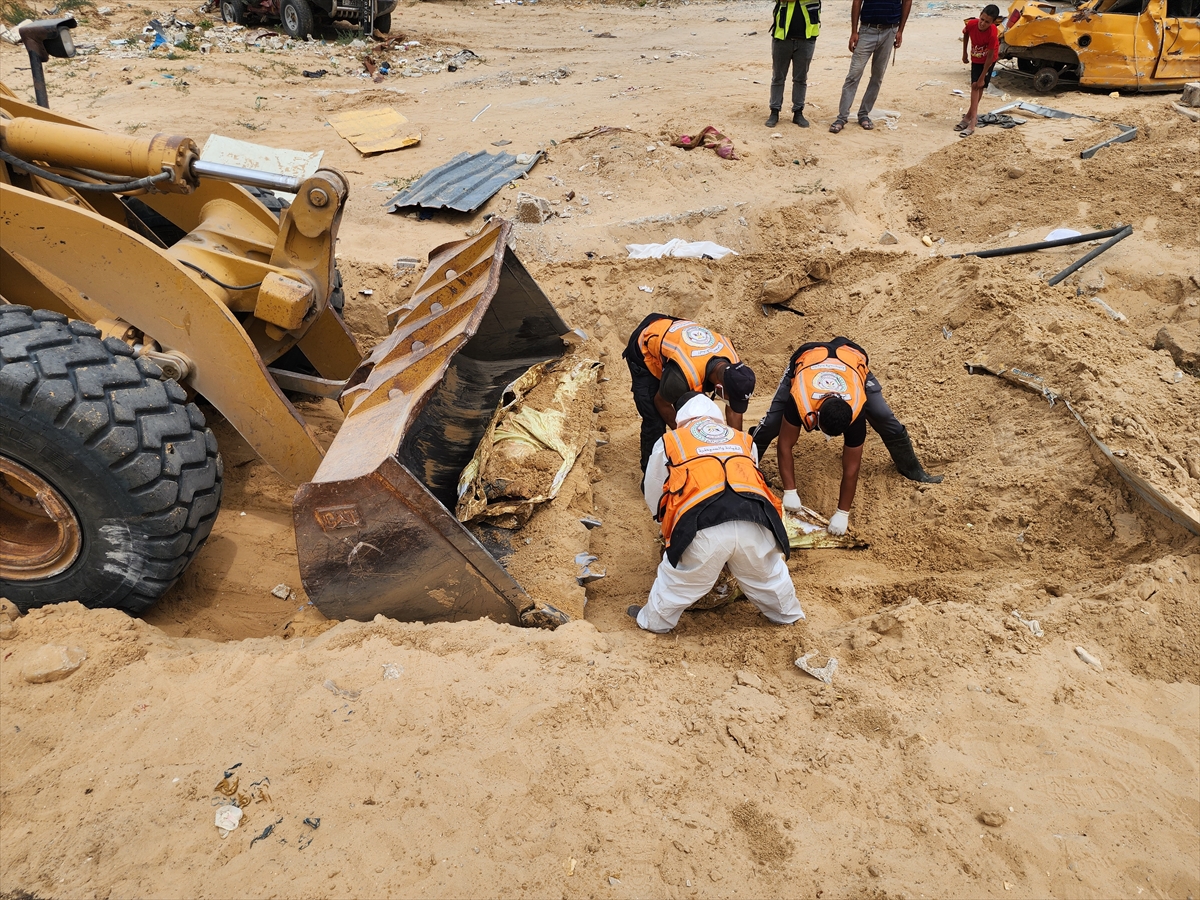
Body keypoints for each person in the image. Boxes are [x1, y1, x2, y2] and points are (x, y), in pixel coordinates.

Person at [629, 393, 805, 634]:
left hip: (702, 524)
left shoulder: (671, 441)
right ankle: (787, 615)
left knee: (680, 581)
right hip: (755, 518)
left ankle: (654, 622)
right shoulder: (744, 440)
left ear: (681, 418)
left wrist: (664, 524)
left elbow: (654, 486)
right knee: (768, 576)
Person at [751, 336, 942, 535]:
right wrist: (790, 491)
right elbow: (784, 446)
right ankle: (746, 466)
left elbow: (851, 468)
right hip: (809, 359)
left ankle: (912, 469)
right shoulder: (800, 398)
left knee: (884, 416)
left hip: (850, 358)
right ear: (816, 416)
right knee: (772, 423)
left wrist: (843, 513)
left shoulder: (856, 411)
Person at [622, 313, 756, 472]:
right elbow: (662, 403)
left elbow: (734, 411)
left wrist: (736, 450)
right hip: (644, 348)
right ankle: (651, 473)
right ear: (718, 387)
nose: (733, 404)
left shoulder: (734, 367)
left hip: (678, 346)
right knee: (654, 419)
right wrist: (688, 436)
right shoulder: (682, 378)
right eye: (731, 399)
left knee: (696, 408)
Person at [829, 0, 912, 133]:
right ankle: (842, 117)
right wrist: (854, 31)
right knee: (854, 74)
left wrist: (900, 30)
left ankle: (864, 114)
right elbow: (857, 2)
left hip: (890, 30)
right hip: (867, 29)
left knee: (877, 76)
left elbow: (907, 2)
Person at [766, 0, 822, 128]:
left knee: (800, 79)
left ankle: (798, 112)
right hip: (782, 38)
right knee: (778, 77)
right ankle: (774, 111)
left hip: (806, 39)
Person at [957, 5, 1001, 137]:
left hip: (988, 60)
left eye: (987, 22)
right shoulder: (972, 24)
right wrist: (964, 53)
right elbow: (966, 35)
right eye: (982, 19)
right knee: (974, 86)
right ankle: (970, 118)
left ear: (993, 22)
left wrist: (983, 76)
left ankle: (971, 122)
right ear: (980, 15)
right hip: (976, 57)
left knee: (978, 85)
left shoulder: (993, 32)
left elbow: (990, 57)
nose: (983, 23)